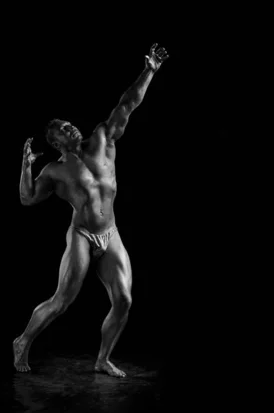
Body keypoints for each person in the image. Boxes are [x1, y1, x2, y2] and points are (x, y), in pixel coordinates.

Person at [13, 43, 169, 377]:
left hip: (110, 234)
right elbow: (27, 199)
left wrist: (149, 70)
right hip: (83, 236)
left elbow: (127, 104)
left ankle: (102, 359)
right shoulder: (55, 171)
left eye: (69, 124)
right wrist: (25, 166)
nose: (71, 128)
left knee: (124, 300)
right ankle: (22, 340)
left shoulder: (102, 140)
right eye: (63, 131)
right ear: (56, 144)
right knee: (61, 302)